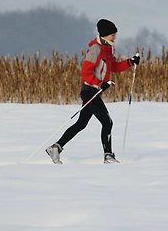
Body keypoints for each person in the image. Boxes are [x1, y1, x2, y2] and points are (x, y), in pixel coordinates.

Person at [46, 19, 140, 164]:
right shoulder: (95, 49)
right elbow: (86, 73)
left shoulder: (107, 49)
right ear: (104, 35)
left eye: (115, 34)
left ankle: (56, 148)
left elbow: (113, 66)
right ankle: (108, 156)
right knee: (107, 122)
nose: (115, 37)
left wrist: (130, 62)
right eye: (112, 35)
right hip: (90, 91)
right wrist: (100, 84)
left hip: (94, 91)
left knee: (81, 124)